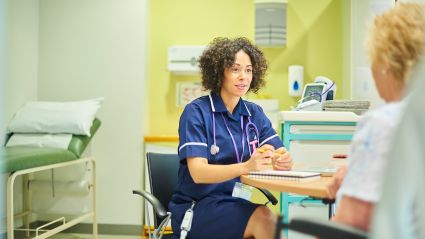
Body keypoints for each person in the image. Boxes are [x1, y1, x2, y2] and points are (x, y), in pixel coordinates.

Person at [168, 37, 293, 239]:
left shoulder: (254, 114)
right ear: (219, 73)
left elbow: (277, 152)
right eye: (235, 69)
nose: (243, 77)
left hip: (234, 202)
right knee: (264, 218)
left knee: (265, 220)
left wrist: (283, 160)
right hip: (196, 208)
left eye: (248, 70)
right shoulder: (196, 112)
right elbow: (198, 173)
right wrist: (246, 167)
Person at [326, 2, 425, 231]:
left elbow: (350, 221)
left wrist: (353, 185)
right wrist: (358, 174)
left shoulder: (384, 123)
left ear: (385, 64)